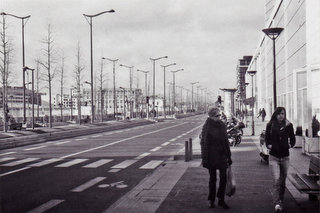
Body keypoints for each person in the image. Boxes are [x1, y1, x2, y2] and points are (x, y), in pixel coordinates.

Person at [200, 108, 232, 209]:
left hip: (222, 155)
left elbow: (226, 142)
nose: (219, 117)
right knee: (212, 179)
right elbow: (203, 143)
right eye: (217, 116)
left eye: (220, 115)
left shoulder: (222, 125)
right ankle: (211, 200)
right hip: (211, 156)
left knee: (223, 178)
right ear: (211, 116)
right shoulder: (207, 127)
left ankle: (221, 199)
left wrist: (229, 156)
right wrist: (204, 158)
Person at [265, 107, 295, 213]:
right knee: (276, 180)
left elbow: (293, 138)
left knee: (282, 181)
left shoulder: (288, 125)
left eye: (282, 113)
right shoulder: (270, 125)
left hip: (285, 157)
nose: (281, 116)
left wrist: (290, 144)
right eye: (279, 114)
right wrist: (269, 146)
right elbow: (266, 138)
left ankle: (281, 200)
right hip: (274, 157)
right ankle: (277, 203)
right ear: (275, 114)